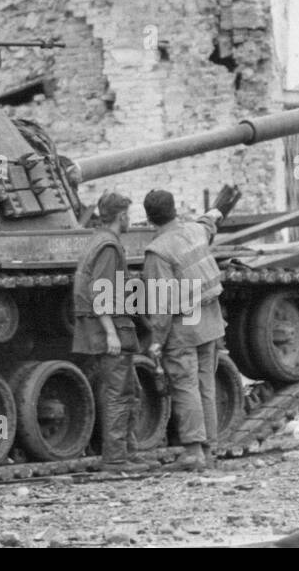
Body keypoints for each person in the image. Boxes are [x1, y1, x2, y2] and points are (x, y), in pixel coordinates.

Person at [141, 189, 230, 471]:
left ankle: (192, 451)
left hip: (184, 325)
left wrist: (156, 341)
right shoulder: (194, 231)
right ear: (174, 209)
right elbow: (207, 226)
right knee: (205, 385)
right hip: (209, 321)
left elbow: (161, 304)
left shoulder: (158, 252)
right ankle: (209, 448)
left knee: (184, 385)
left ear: (148, 218)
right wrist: (213, 214)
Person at [75, 191, 148, 472]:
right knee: (118, 393)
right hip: (111, 330)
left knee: (130, 390)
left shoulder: (102, 241)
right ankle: (116, 458)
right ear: (121, 216)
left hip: (117, 326)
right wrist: (110, 333)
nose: (130, 220)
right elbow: (100, 290)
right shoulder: (108, 246)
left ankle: (128, 451)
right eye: (128, 215)